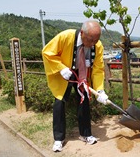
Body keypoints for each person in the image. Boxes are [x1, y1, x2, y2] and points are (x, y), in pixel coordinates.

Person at [42, 20, 109, 152]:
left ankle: (86, 134)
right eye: (90, 40)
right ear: (82, 33)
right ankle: (58, 138)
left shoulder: (97, 45)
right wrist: (61, 68)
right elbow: (47, 52)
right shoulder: (65, 36)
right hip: (65, 73)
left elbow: (98, 69)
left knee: (84, 101)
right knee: (60, 103)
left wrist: (100, 89)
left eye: (96, 40)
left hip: (82, 73)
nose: (93, 44)